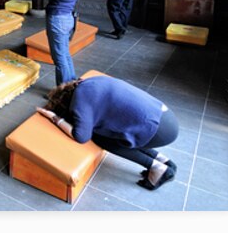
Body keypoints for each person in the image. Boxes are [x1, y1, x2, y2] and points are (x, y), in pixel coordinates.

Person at [36, 75, 180, 191]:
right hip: (166, 117)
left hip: (158, 130)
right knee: (125, 130)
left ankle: (157, 167)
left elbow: (81, 136)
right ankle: (163, 160)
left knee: (101, 138)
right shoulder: (89, 81)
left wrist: (55, 118)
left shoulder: (79, 102)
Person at [36, 0, 84, 86]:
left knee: (59, 58)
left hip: (58, 20)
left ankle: (62, 91)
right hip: (67, 18)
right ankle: (71, 84)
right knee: (65, 54)